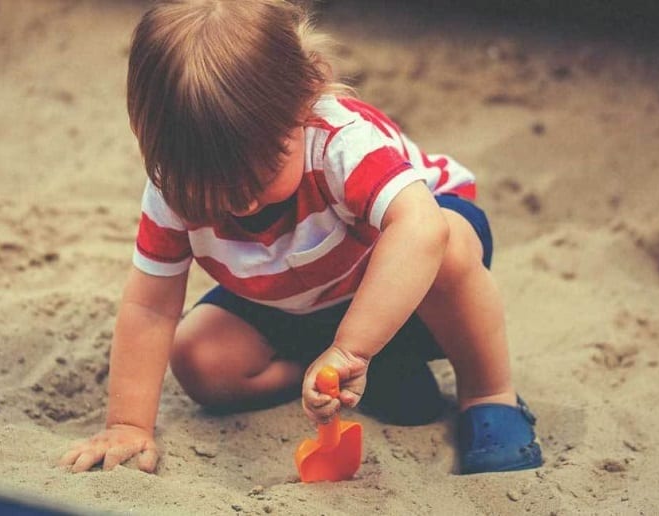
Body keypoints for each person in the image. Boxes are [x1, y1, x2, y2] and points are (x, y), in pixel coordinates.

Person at [59, 0, 542, 476]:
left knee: (448, 241)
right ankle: (349, 376)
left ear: (307, 95)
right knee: (199, 357)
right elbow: (150, 307)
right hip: (297, 301)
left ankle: (489, 397)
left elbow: (420, 228)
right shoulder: (174, 186)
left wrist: (353, 348)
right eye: (214, 190)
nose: (243, 205)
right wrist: (127, 423)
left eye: (262, 173)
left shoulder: (338, 141)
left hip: (408, 289)